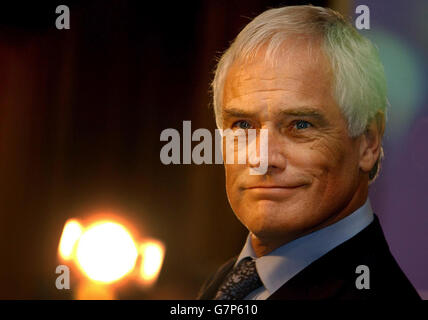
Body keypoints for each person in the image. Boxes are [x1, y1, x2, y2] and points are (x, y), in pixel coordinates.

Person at [197, 5, 420, 299]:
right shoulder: (229, 281)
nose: (262, 159)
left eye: (300, 125)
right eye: (242, 125)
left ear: (368, 141)